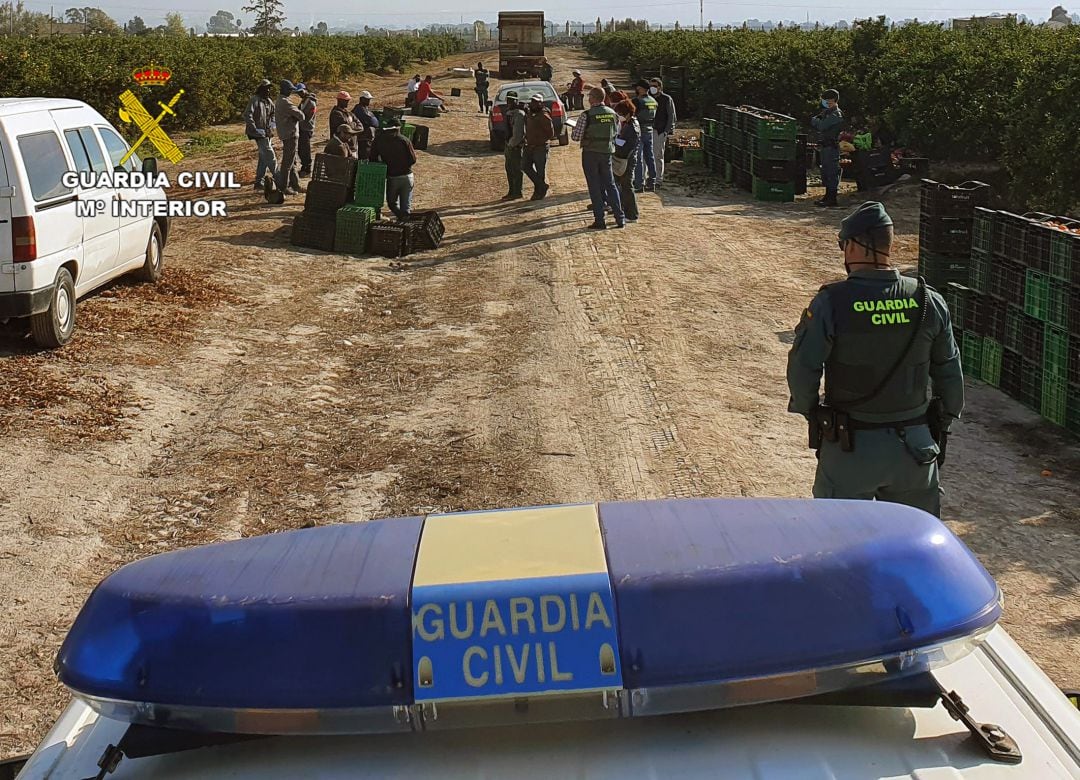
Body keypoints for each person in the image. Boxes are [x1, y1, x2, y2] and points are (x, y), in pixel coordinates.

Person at [785, 202, 964, 518]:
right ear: (889, 245)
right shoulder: (927, 299)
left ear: (854, 245)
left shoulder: (832, 303)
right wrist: (944, 419)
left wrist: (810, 411)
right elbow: (949, 370)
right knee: (911, 547)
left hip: (850, 448)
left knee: (836, 545)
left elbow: (803, 369)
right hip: (915, 450)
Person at [571, 87, 624, 230]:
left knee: (594, 186)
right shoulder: (613, 113)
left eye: (589, 97)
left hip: (591, 153)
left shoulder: (586, 115)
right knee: (610, 184)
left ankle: (600, 220)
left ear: (594, 98)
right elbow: (617, 133)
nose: (588, 99)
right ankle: (620, 218)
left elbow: (576, 137)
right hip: (607, 152)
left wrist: (575, 130)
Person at [370, 117, 417, 221]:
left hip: (392, 177)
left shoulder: (380, 140)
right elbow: (413, 159)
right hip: (407, 176)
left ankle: (402, 218)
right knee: (406, 207)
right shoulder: (404, 140)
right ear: (398, 128)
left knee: (392, 204)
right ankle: (405, 222)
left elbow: (372, 158)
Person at [812, 88, 844, 207]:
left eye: (827, 100)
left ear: (833, 100)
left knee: (832, 172)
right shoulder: (827, 113)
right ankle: (827, 196)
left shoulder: (836, 114)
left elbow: (821, 125)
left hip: (831, 147)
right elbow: (814, 120)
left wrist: (817, 120)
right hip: (825, 146)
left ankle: (832, 198)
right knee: (825, 171)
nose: (825, 102)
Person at [243, 79, 276, 191]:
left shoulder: (268, 101)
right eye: (266, 88)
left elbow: (273, 114)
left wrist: (272, 125)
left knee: (263, 158)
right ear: (261, 89)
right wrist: (255, 129)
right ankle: (279, 178)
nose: (268, 90)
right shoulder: (254, 100)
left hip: (267, 133)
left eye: (269, 88)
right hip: (259, 134)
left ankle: (259, 181)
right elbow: (248, 115)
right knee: (269, 156)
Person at [274, 79, 304, 196]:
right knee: (288, 163)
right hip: (290, 134)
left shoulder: (280, 101)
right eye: (290, 90)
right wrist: (294, 117)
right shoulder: (285, 102)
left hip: (286, 134)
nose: (291, 92)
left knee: (292, 161)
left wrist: (293, 117)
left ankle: (295, 184)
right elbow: (301, 116)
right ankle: (283, 187)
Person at [523, 93, 554, 200]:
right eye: (532, 101)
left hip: (540, 147)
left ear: (541, 103)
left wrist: (539, 141)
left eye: (536, 102)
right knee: (525, 166)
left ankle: (539, 192)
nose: (533, 104)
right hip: (529, 146)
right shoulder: (530, 113)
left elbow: (550, 133)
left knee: (540, 170)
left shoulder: (543, 115)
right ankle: (542, 186)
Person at [612, 99, 639, 223]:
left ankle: (632, 214)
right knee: (623, 186)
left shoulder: (631, 127)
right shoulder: (630, 124)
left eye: (621, 113)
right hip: (627, 158)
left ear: (627, 113)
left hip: (627, 159)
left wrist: (615, 141)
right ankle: (622, 209)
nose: (620, 116)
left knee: (627, 187)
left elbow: (627, 145)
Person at [649, 77, 676, 190]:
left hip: (660, 131)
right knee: (648, 156)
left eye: (655, 86)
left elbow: (671, 116)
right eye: (651, 86)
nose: (652, 88)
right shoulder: (648, 98)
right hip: (649, 130)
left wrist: (666, 131)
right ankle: (649, 178)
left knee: (658, 155)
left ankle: (658, 179)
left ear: (660, 87)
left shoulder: (666, 99)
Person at [631, 79, 658, 192]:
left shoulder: (637, 102)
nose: (636, 89)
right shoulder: (653, 101)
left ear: (641, 88)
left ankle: (639, 183)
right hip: (649, 130)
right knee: (650, 157)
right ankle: (652, 181)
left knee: (638, 159)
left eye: (637, 87)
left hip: (639, 131)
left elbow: (632, 115)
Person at [501, 91, 527, 201]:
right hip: (509, 145)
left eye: (512, 100)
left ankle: (517, 192)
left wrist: (511, 144)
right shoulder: (510, 112)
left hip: (516, 146)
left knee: (516, 170)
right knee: (509, 169)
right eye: (508, 99)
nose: (509, 102)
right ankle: (511, 191)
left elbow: (518, 134)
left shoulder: (519, 114)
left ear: (516, 100)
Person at [328, 91, 362, 156]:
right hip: (340, 147)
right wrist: (354, 124)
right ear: (340, 100)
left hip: (352, 146)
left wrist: (351, 126)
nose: (348, 102)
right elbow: (346, 128)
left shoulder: (349, 113)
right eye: (346, 100)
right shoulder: (336, 114)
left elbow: (361, 127)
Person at [351, 90, 380, 159]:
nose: (368, 101)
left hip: (365, 137)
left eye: (369, 99)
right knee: (364, 156)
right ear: (361, 99)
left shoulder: (364, 108)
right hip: (363, 138)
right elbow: (373, 122)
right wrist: (374, 119)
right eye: (367, 99)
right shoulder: (359, 109)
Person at [297, 87, 317, 178]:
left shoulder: (310, 102)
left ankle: (307, 168)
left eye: (301, 91)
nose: (300, 94)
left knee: (305, 149)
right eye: (298, 92)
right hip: (303, 127)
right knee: (301, 148)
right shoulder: (304, 101)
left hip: (306, 128)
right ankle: (304, 166)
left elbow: (306, 116)